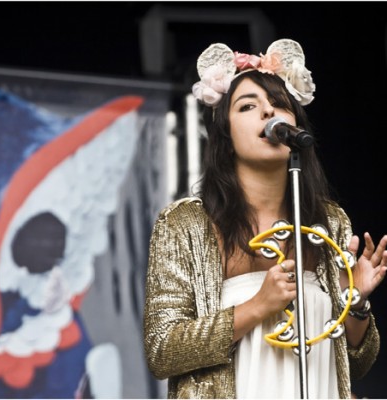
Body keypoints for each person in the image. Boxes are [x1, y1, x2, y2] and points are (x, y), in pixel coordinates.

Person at [143, 38, 387, 399]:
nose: (268, 113)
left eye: (279, 105)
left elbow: (353, 363)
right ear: (225, 138)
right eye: (248, 106)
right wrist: (258, 306)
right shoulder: (186, 224)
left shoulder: (328, 221)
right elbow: (162, 349)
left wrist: (356, 303)